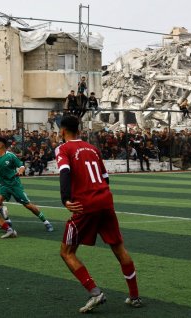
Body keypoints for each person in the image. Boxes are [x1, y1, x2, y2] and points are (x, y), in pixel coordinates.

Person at [56, 115, 142, 313]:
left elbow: (65, 172)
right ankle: (134, 296)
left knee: (66, 252)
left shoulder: (63, 148)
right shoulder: (92, 149)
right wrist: (101, 196)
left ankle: (95, 293)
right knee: (119, 248)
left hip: (85, 204)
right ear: (78, 130)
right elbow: (105, 177)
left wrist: (65, 199)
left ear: (62, 131)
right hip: (105, 199)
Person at [0, 137, 54, 232]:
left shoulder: (10, 156)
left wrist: (21, 171)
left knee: (28, 205)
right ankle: (7, 220)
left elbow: (21, 166)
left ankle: (46, 222)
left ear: (1, 145)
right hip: (3, 185)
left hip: (14, 184)